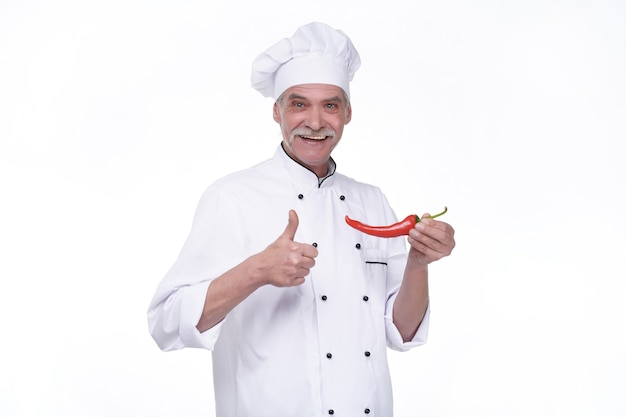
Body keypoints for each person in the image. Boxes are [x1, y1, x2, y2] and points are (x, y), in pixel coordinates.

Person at [148, 22, 456, 417]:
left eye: (330, 105)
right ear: (276, 111)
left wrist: (418, 262)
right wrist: (256, 271)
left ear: (347, 113)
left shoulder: (371, 201)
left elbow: (403, 330)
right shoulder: (232, 197)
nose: (315, 121)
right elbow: (166, 323)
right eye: (298, 104)